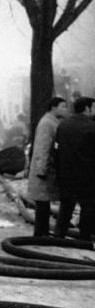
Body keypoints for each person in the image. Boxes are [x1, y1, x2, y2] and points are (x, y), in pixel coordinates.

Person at [53, 96, 95, 240]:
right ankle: (84, 237)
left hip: (66, 173)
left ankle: (59, 235)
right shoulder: (92, 127)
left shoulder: (63, 125)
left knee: (66, 205)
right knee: (88, 206)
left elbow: (56, 150)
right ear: (87, 108)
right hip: (87, 175)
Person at [26, 97, 68, 237]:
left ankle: (42, 232)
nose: (66, 109)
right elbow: (42, 148)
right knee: (42, 202)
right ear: (53, 107)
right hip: (43, 170)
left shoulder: (52, 121)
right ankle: (40, 233)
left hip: (46, 168)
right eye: (63, 106)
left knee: (44, 202)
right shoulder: (47, 123)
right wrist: (41, 169)